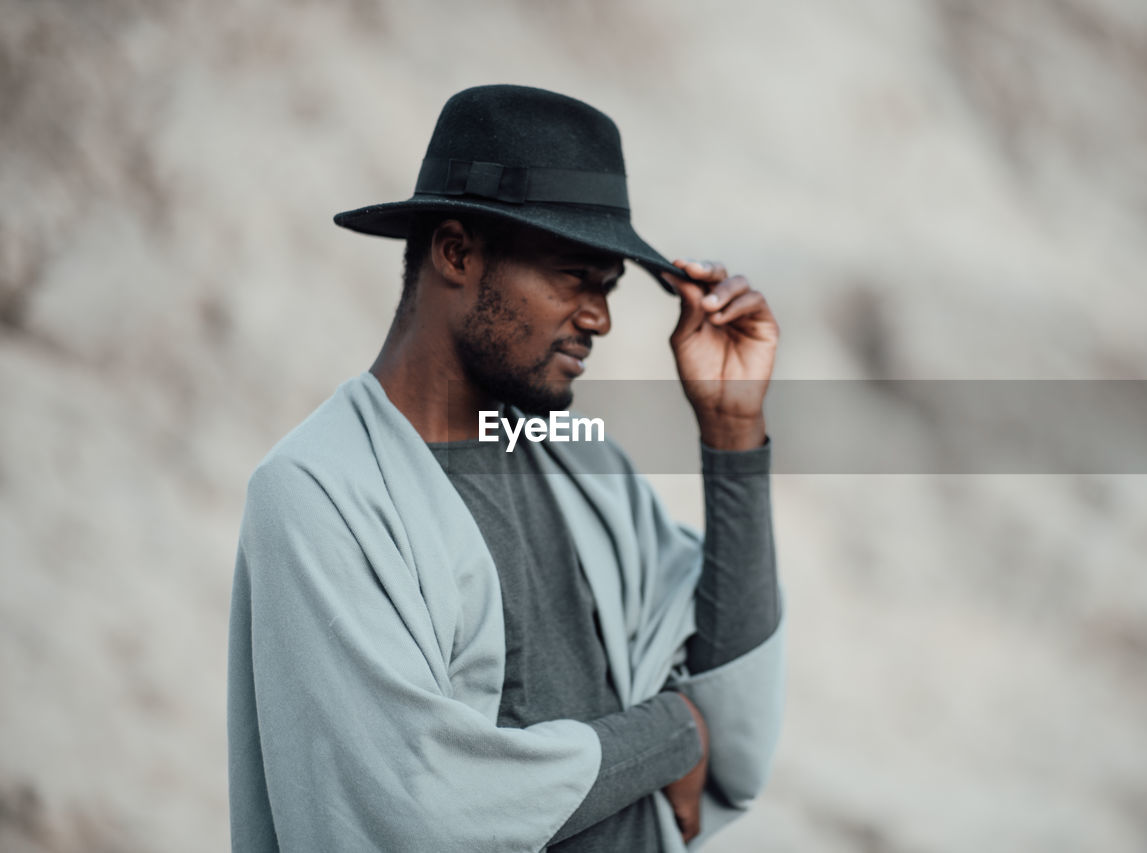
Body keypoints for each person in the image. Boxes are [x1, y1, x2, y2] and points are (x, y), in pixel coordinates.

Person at [227, 84, 784, 852]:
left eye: (609, 286)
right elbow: (417, 801)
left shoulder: (582, 462)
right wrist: (668, 732)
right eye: (572, 276)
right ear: (457, 252)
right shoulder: (317, 492)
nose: (601, 317)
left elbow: (730, 699)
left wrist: (731, 429)